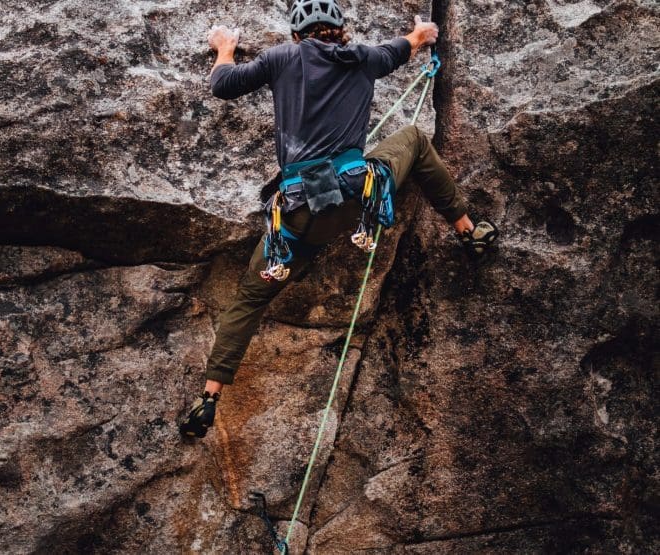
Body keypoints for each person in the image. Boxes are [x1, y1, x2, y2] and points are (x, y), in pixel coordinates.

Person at [180, 0, 498, 438]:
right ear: (340, 29)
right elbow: (413, 42)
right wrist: (424, 31)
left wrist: (225, 47)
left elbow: (223, 84)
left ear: (298, 35)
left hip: (296, 218)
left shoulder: (280, 59)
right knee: (414, 140)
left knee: (250, 299)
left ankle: (209, 397)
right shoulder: (364, 58)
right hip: (355, 199)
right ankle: (469, 230)